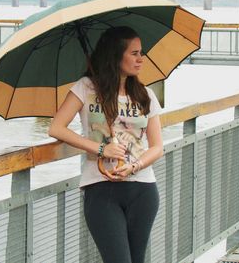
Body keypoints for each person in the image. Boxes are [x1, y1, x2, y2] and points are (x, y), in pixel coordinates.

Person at [48, 26, 163, 263]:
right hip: (101, 189)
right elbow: (56, 128)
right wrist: (101, 148)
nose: (141, 59)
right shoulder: (86, 88)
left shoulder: (145, 95)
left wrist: (135, 166)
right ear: (115, 55)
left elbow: (157, 147)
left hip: (142, 189)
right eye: (134, 53)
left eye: (141, 52)